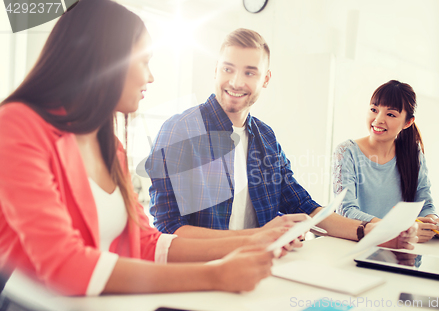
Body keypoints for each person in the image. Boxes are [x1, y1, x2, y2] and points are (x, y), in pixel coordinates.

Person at [0, 0, 288, 297]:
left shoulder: (111, 146)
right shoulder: (17, 124)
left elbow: (145, 242)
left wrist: (255, 238)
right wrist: (214, 275)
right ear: (106, 59)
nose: (150, 77)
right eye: (144, 61)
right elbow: (64, 264)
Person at [147, 29, 417, 248]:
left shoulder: (265, 138)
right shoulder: (180, 131)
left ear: (266, 79)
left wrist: (372, 230)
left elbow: (304, 207)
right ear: (215, 70)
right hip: (201, 275)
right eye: (228, 69)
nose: (236, 81)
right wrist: (259, 237)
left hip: (258, 271)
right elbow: (168, 229)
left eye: (250, 72)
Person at [332, 80, 439, 243]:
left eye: (390, 114)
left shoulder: (414, 154)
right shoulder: (346, 152)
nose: (378, 120)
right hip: (356, 246)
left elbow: (424, 202)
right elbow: (346, 211)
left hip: (400, 250)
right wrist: (401, 229)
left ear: (408, 122)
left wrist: (434, 223)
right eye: (374, 110)